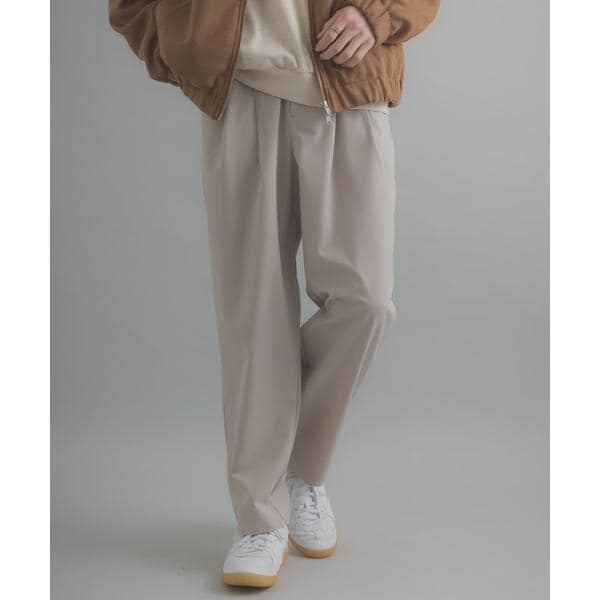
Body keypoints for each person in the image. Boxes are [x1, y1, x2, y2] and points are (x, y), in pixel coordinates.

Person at [110, 0, 439, 589]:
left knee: (367, 301)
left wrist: (377, 14)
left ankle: (299, 470)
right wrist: (186, 51)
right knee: (253, 317)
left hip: (348, 86)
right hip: (240, 94)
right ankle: (259, 520)